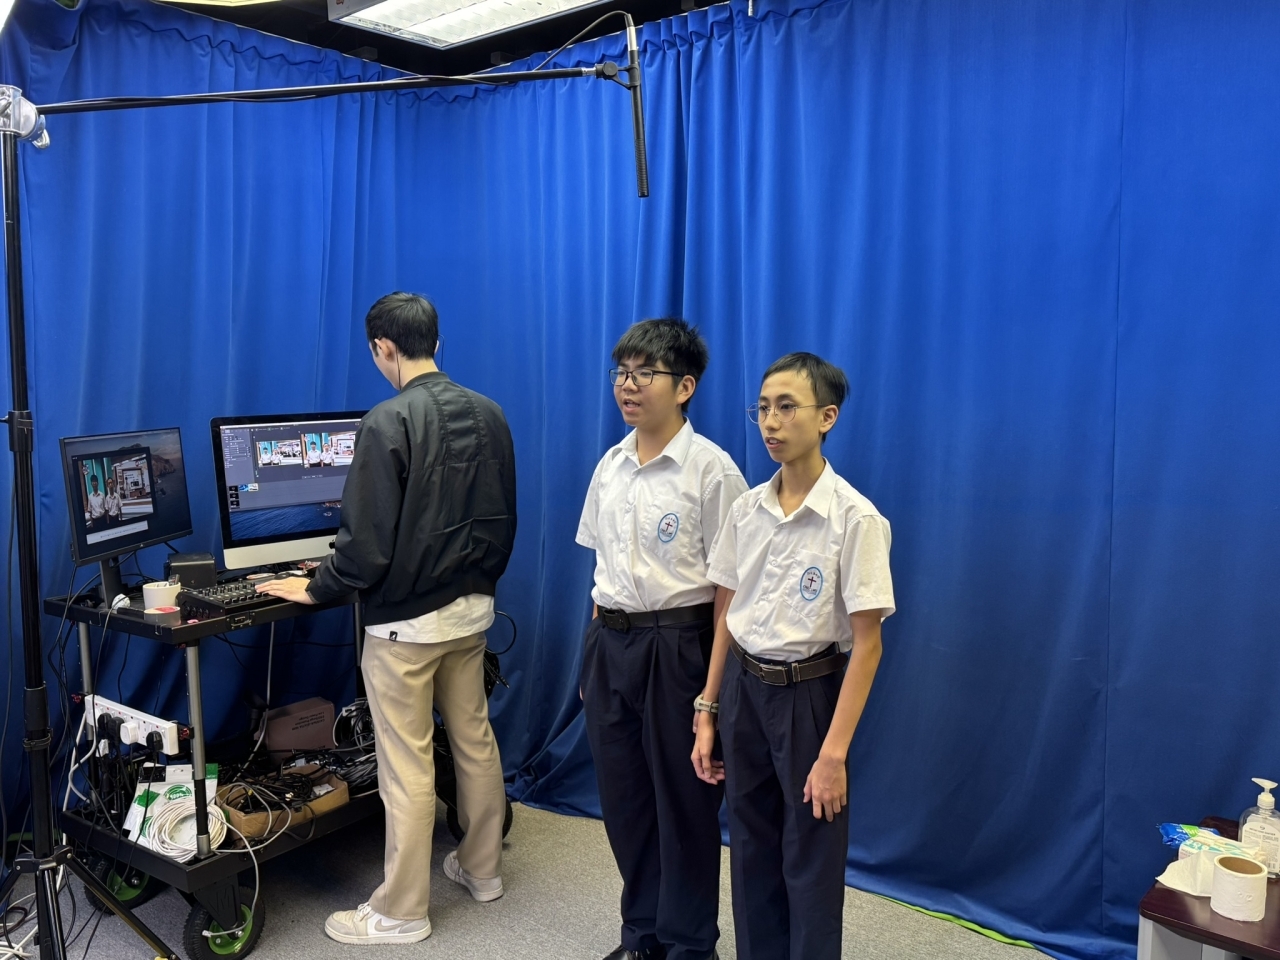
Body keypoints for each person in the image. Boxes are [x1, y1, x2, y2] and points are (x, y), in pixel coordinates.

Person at [258, 292, 517, 945]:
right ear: (437, 341)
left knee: (407, 764)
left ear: (383, 348)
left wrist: (315, 588)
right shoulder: (491, 413)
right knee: (475, 741)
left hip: (406, 626)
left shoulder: (387, 421)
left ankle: (401, 912)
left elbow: (364, 549)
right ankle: (482, 870)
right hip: (472, 611)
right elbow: (502, 518)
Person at [692, 353, 894, 960]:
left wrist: (833, 755)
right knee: (750, 850)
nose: (771, 422)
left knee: (810, 859)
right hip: (743, 689)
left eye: (786, 407)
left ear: (826, 417)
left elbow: (868, 645)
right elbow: (726, 612)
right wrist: (709, 706)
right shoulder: (746, 510)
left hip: (809, 697)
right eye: (762, 409)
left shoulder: (855, 518)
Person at [577, 318, 748, 960]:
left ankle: (690, 944)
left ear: (684, 386)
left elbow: (730, 593)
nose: (628, 385)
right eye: (621, 372)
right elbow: (601, 574)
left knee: (684, 806)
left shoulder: (712, 471)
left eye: (644, 373)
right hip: (612, 644)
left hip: (680, 646)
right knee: (624, 800)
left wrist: (711, 696)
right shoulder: (610, 466)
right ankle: (642, 935)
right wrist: (593, 662)